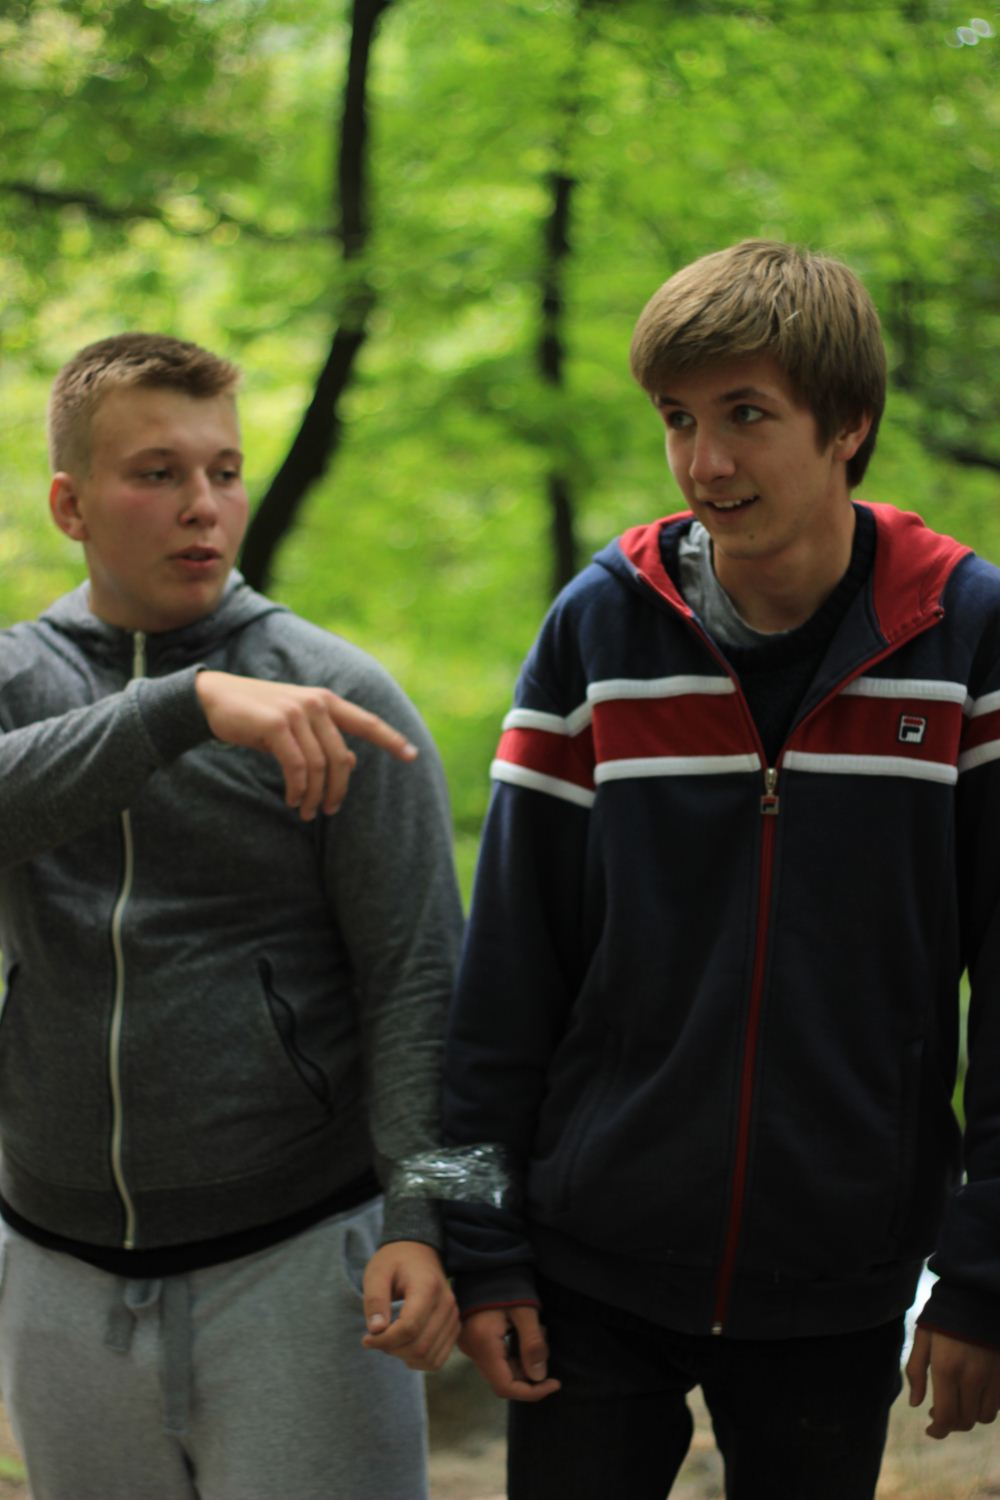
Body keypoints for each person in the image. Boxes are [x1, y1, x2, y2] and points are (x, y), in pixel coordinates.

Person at [442, 239, 1000, 1500]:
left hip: (842, 1274)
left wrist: (983, 1272)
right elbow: (499, 976)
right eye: (678, 419)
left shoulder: (967, 638)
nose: (704, 462)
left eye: (745, 414)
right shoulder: (596, 629)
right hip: (585, 1270)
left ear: (847, 425)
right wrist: (474, 1243)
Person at [0, 332, 464, 1500]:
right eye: (157, 473)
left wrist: (428, 1220)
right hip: (57, 1276)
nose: (202, 506)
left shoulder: (336, 696)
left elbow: (421, 981)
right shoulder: (19, 687)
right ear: (70, 505)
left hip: (302, 1268)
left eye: (224, 471)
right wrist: (182, 708)